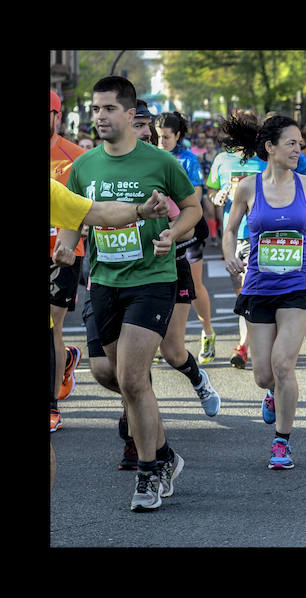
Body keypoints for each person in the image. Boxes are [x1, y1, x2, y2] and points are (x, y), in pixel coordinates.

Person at [66, 76, 202, 512]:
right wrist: (68, 243)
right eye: (95, 109)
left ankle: (147, 474)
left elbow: (194, 208)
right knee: (109, 372)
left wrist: (172, 235)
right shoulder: (84, 166)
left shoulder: (160, 162)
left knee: (130, 377)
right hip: (104, 280)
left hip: (151, 278)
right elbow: (74, 212)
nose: (100, 116)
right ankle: (165, 454)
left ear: (130, 114)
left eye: (108, 109)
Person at [221, 114, 306, 469]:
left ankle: (281, 441)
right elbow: (230, 231)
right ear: (270, 147)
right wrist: (230, 256)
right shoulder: (247, 186)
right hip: (259, 286)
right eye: (291, 143)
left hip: (299, 286)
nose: (298, 149)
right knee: (263, 375)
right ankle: (273, 394)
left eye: (300, 144)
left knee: (282, 363)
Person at [50, 178, 170, 489]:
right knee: (109, 372)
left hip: (144, 280)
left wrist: (141, 211)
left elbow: (98, 212)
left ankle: (147, 445)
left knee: (131, 377)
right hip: (104, 289)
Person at [154, 111, 221, 413]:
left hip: (186, 235)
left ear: (178, 136)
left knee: (195, 285)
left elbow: (192, 204)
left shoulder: (188, 160)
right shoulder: (148, 155)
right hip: (158, 241)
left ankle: (207, 330)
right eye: (157, 135)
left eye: (166, 136)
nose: (160, 140)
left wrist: (174, 229)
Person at [207, 110, 269, 369]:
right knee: (242, 292)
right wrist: (217, 196)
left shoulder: (265, 159)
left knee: (250, 291)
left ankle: (244, 346)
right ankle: (253, 340)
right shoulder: (222, 160)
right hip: (232, 234)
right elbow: (212, 191)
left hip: (261, 234)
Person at [50, 89, 87, 433]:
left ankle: (52, 407)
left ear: (57, 116)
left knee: (52, 326)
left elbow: (85, 209)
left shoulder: (74, 157)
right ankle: (65, 361)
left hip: (61, 253)